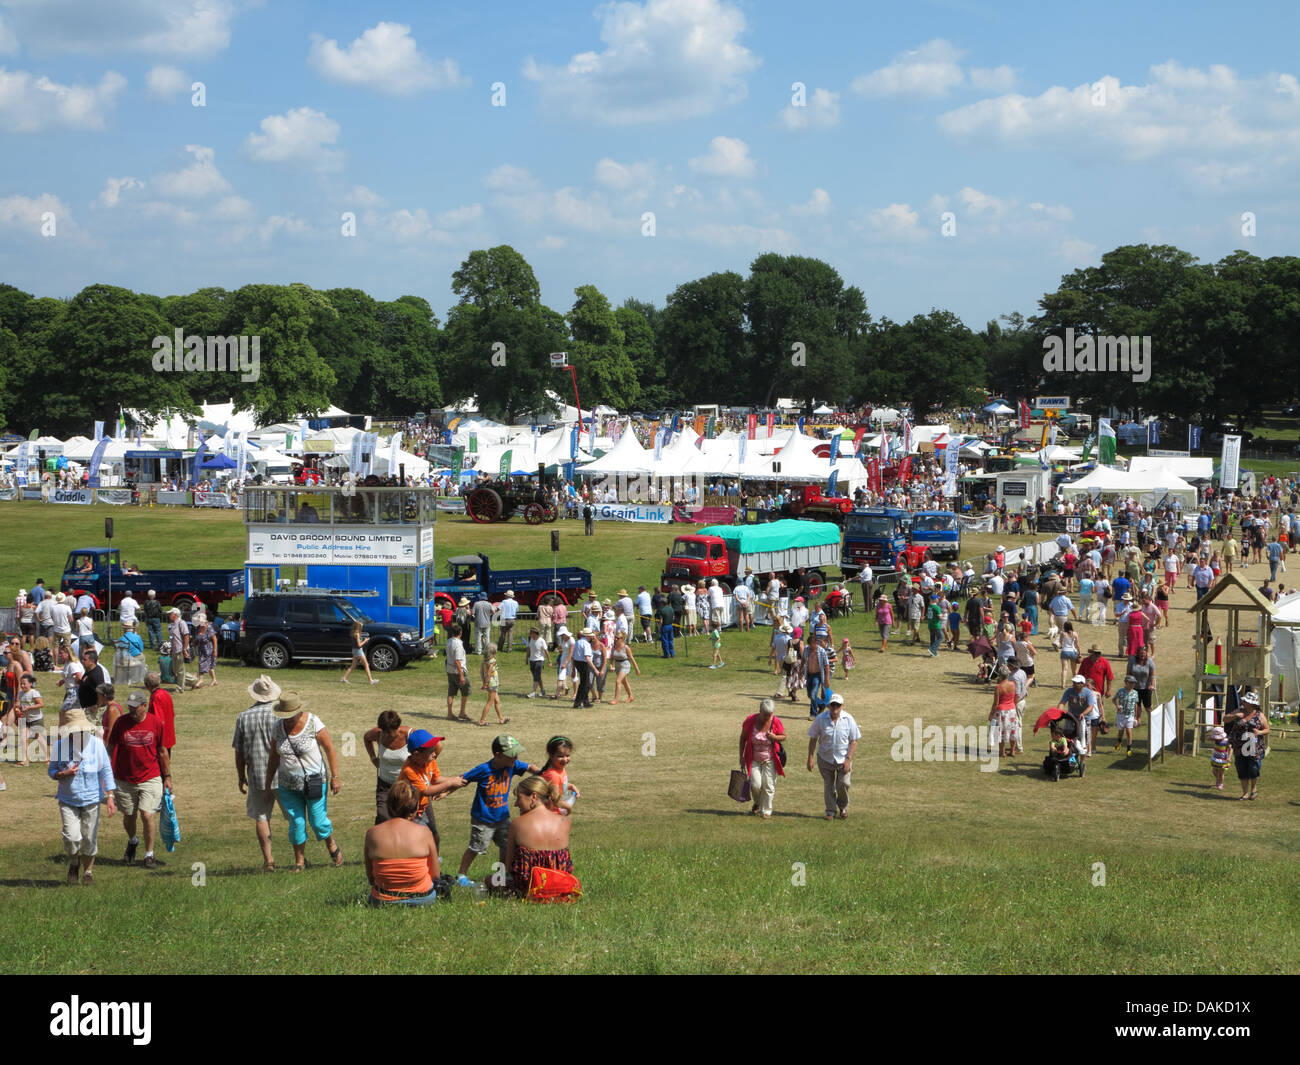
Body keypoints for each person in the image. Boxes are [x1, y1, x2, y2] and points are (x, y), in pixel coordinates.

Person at [263, 692, 343, 872]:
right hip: (287, 785)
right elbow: (273, 758)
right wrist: (268, 785)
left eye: (291, 716)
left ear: (299, 711)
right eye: (285, 716)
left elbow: (329, 749)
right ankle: (299, 862)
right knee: (296, 823)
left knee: (318, 821)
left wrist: (335, 777)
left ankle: (331, 844)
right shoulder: (277, 727)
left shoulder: (314, 722)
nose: (288, 720)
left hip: (314, 782)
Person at [454, 734, 542, 887]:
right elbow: (462, 780)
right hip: (483, 819)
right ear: (498, 755)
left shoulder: (512, 765)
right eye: (512, 755)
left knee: (507, 846)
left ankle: (503, 873)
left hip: (502, 818)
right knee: (476, 847)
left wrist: (540, 773)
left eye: (517, 754)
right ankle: (461, 875)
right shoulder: (483, 769)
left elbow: (529, 767)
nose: (516, 757)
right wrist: (445, 791)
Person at [48, 706, 117, 885]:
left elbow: (106, 770)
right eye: (73, 731)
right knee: (71, 837)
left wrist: (110, 796)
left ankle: (88, 872)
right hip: (68, 799)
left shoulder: (96, 744)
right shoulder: (60, 746)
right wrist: (63, 774)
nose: (77, 733)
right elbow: (52, 770)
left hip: (92, 799)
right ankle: (74, 861)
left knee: (89, 837)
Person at [106, 689, 172, 868]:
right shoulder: (121, 723)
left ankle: (149, 854)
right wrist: (106, 771)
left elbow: (162, 751)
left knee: (147, 814)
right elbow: (110, 747)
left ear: (145, 706)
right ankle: (133, 840)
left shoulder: (156, 723)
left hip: (150, 776)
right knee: (129, 816)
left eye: (135, 707)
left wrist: (167, 777)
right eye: (130, 707)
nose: (132, 710)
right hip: (124, 778)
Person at [233, 674, 283, 870]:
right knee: (295, 816)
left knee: (262, 817)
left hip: (257, 775)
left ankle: (269, 860)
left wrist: (240, 775)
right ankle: (299, 859)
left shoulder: (244, 717)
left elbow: (239, 751)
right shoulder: (279, 715)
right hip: (283, 774)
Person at [364, 780, 441, 906]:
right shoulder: (424, 832)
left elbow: (371, 876)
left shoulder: (372, 833)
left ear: (388, 805)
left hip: (383, 899)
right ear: (415, 807)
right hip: (423, 898)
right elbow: (436, 875)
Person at [505, 776, 578, 899]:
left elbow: (508, 867)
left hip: (527, 889)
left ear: (534, 796)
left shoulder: (517, 823)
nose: (516, 804)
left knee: (489, 881)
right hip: (560, 888)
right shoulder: (565, 822)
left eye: (519, 798)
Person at [399, 730, 464, 850]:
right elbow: (425, 791)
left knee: (434, 837)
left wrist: (455, 779)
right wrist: (450, 783)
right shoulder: (409, 770)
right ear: (416, 754)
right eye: (431, 752)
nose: (435, 754)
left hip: (420, 808)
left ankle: (434, 865)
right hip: (408, 812)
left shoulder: (429, 762)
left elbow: (436, 779)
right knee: (422, 840)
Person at [807, 692, 859, 820]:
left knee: (844, 783)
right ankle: (830, 811)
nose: (835, 707)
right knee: (828, 785)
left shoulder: (848, 719)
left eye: (837, 705)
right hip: (825, 757)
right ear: (829, 706)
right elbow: (813, 738)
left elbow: (854, 740)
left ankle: (843, 807)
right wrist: (810, 757)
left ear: (841, 706)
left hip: (843, 758)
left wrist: (848, 759)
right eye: (832, 705)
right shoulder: (820, 719)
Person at [740, 699, 786, 820]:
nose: (767, 717)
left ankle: (767, 810)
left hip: (770, 759)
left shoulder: (775, 721)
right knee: (755, 785)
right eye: (765, 714)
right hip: (753, 758)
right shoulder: (750, 720)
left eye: (770, 714)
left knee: (769, 786)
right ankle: (758, 802)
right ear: (759, 711)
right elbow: (743, 738)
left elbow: (784, 736)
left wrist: (775, 737)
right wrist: (741, 756)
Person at [364, 709, 410, 825]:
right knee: (383, 815)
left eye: (389, 732)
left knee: (406, 819)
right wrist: (373, 758)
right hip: (384, 785)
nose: (386, 735)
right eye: (384, 731)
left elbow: (436, 746)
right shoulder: (378, 733)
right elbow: (367, 738)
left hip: (406, 787)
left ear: (398, 727)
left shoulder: (410, 735)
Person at [1224, 691, 1268, 800]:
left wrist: (1259, 733)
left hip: (1253, 745)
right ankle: (1245, 793)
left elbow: (1267, 729)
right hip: (1239, 745)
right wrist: (1235, 715)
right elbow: (1224, 719)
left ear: (1252, 703)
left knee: (1253, 769)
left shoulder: (1259, 715)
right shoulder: (1239, 711)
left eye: (1246, 701)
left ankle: (1253, 789)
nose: (1243, 702)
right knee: (1241, 769)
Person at [540, 736, 579, 816]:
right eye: (560, 756)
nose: (565, 759)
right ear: (551, 755)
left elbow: (556, 786)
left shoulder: (560, 768)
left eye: (567, 755)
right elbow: (555, 800)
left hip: (558, 812)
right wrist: (568, 807)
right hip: (552, 815)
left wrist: (570, 786)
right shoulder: (552, 775)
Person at [17, 673, 49, 765]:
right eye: (21, 684)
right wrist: (18, 709)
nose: (22, 685)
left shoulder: (34, 692)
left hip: (36, 719)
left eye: (24, 683)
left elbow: (41, 704)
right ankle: (25, 760)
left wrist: (29, 708)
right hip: (24, 718)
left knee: (38, 737)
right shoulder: (21, 693)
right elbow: (21, 705)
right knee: (23, 738)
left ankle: (47, 758)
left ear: (30, 684)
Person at [990, 666, 1018, 758]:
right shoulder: (1013, 684)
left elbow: (995, 703)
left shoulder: (998, 687)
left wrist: (991, 715)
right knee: (1013, 731)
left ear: (1000, 676)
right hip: (1012, 710)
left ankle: (1002, 752)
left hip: (1002, 711)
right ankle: (1012, 750)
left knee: (1000, 731)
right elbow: (1015, 697)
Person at [444, 624, 471, 721]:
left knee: (451, 692)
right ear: (460, 633)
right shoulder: (458, 644)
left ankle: (449, 713)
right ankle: (462, 712)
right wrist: (461, 676)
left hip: (450, 670)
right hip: (458, 671)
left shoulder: (449, 641)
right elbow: (457, 661)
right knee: (465, 692)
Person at [479, 644, 509, 726]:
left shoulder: (484, 660)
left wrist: (484, 682)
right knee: (489, 702)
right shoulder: (492, 660)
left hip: (489, 683)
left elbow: (482, 672)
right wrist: (486, 683)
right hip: (492, 683)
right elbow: (489, 673)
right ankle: (482, 720)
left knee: (497, 701)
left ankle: (501, 718)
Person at [340, 620, 377, 685]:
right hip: (358, 651)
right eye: (361, 627)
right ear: (358, 627)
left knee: (353, 665)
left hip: (354, 650)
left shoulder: (352, 633)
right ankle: (371, 680)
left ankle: (344, 678)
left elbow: (356, 644)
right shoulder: (357, 634)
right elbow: (359, 645)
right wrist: (365, 640)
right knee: (366, 665)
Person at [608, 630, 640, 704]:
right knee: (624, 682)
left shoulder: (626, 647)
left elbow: (632, 658)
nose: (616, 639)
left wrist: (636, 669)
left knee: (618, 681)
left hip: (625, 665)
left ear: (622, 639)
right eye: (615, 637)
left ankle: (616, 700)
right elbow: (611, 657)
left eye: (618, 638)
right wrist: (611, 665)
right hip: (617, 665)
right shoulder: (614, 647)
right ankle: (630, 696)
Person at [1112, 675, 1141, 756]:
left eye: (1134, 683)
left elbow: (1136, 704)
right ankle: (1119, 742)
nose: (1133, 684)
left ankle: (1129, 749)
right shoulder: (1120, 691)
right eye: (1131, 683)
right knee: (1121, 731)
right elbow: (1114, 699)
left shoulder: (1135, 693)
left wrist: (1136, 716)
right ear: (1126, 683)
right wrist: (1117, 706)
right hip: (1121, 715)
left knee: (1129, 731)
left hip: (1130, 715)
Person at [191, 616, 217, 689]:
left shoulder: (209, 628)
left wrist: (215, 650)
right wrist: (193, 643)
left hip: (209, 649)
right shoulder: (198, 628)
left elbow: (214, 639)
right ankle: (214, 680)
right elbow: (197, 638)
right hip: (202, 649)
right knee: (210, 666)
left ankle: (200, 680)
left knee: (201, 663)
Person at [525, 626, 549, 697]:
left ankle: (533, 692)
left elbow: (546, 651)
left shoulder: (541, 640)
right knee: (537, 677)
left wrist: (549, 660)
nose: (530, 634)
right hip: (532, 660)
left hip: (540, 660)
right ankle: (542, 690)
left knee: (536, 676)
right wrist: (526, 658)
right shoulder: (530, 639)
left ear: (535, 634)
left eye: (531, 633)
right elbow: (528, 649)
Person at [1208, 725, 1230, 791]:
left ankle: (1220, 783)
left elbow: (1230, 748)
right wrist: (1213, 735)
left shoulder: (1226, 741)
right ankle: (1218, 780)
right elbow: (1207, 738)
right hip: (1215, 758)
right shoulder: (1216, 740)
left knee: (1221, 773)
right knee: (1214, 771)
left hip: (1223, 759)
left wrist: (1229, 757)